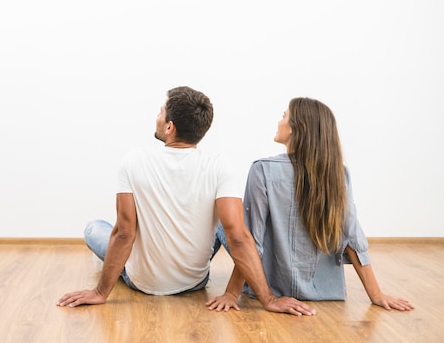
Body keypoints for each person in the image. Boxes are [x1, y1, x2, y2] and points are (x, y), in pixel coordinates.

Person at [57, 86, 315, 316]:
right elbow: (238, 237)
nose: (157, 117)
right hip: (194, 282)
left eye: (160, 112)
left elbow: (125, 233)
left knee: (94, 227)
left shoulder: (133, 161)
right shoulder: (219, 165)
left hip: (143, 283)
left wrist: (100, 292)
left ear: (170, 127)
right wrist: (268, 299)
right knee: (228, 224)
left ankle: (113, 265)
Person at [211, 97, 414, 311]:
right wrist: (376, 293)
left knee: (221, 221)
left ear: (297, 128)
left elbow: (250, 238)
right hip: (324, 290)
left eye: (284, 116)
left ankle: (192, 281)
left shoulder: (262, 170)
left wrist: (231, 294)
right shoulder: (338, 173)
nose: (279, 121)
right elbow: (352, 235)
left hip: (273, 286)